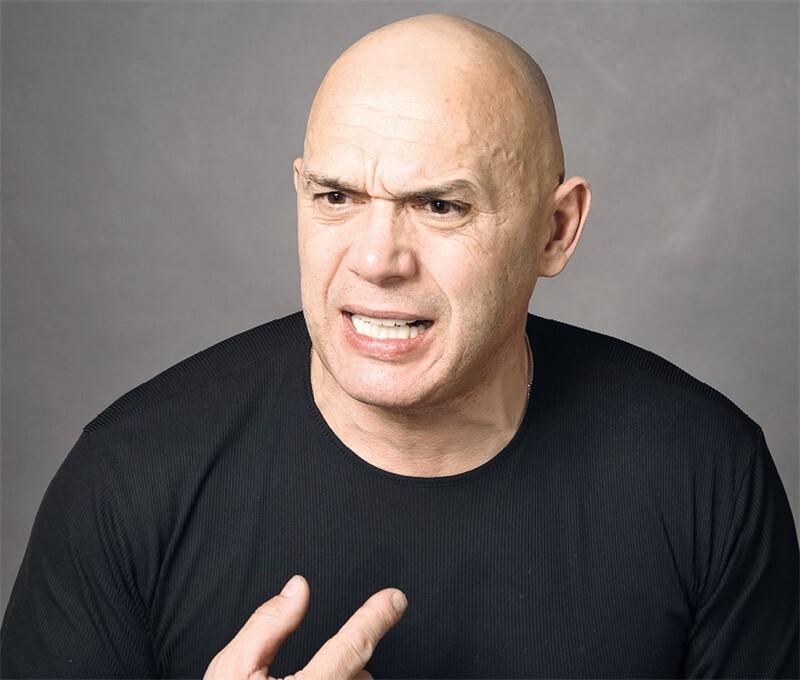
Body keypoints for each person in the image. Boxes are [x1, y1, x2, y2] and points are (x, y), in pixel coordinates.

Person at [2, 13, 797, 679]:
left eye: (441, 206)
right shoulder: (129, 479)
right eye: (337, 197)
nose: (377, 259)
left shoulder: (706, 474)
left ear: (555, 230)